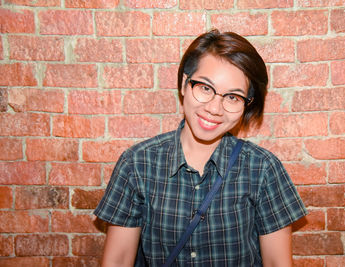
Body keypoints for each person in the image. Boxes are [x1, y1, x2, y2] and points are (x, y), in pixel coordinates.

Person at [94, 29, 308, 267]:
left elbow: (277, 262)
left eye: (233, 97)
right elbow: (118, 260)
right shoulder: (137, 164)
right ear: (185, 83)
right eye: (205, 88)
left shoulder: (263, 169)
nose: (215, 108)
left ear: (246, 105)